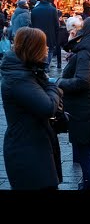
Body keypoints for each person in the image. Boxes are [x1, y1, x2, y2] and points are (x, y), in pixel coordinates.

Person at [1, 27, 63, 190]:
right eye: (44, 45)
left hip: (34, 145)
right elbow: (47, 107)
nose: (47, 48)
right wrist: (53, 87)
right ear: (34, 49)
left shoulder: (28, 71)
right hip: (28, 151)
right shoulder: (19, 78)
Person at [57, 17, 90, 190]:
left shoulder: (86, 53)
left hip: (85, 111)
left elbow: (83, 81)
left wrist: (58, 82)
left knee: (85, 152)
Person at [31, 0, 59, 67]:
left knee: (39, 49)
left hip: (37, 33)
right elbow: (56, 24)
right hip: (50, 33)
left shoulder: (34, 10)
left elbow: (32, 23)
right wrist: (56, 35)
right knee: (50, 50)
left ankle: (40, 64)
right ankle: (46, 66)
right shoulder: (52, 9)